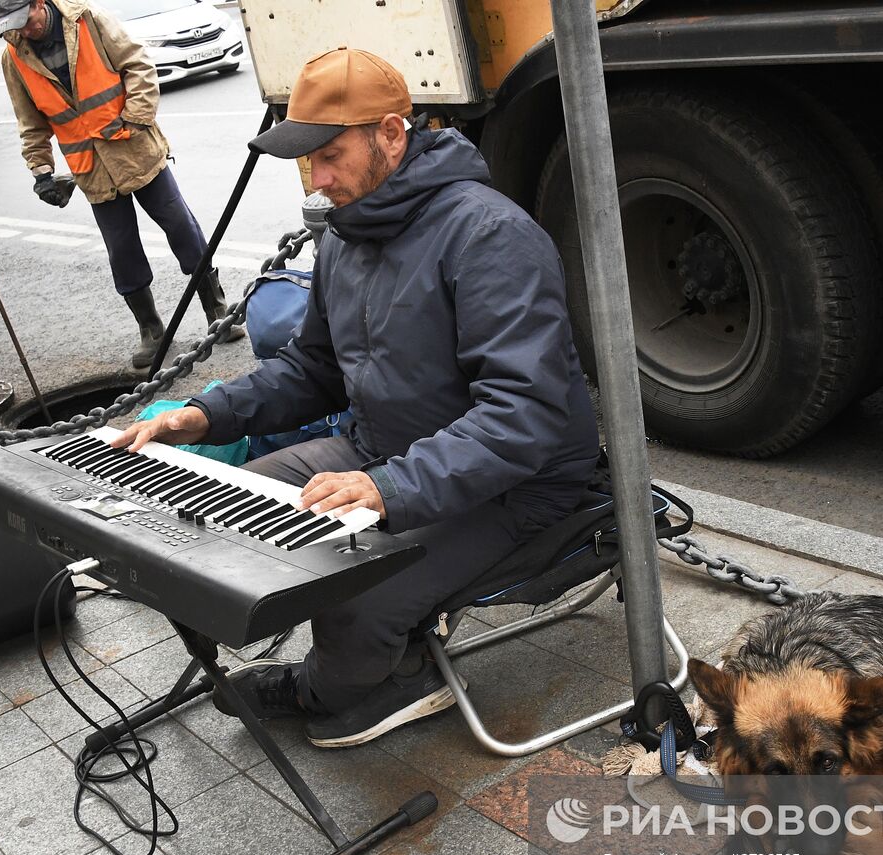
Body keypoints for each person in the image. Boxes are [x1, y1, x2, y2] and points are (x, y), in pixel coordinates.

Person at [113, 48, 601, 748]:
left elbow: (521, 417)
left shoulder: (489, 235)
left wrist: (384, 488)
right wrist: (205, 415)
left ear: (393, 135)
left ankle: (370, 681)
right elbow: (312, 370)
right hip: (385, 447)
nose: (319, 181)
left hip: (517, 484)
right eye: (309, 163)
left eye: (332, 156)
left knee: (355, 594)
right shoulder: (348, 233)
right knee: (224, 518)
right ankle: (366, 646)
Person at [0, 0, 241, 369]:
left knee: (181, 227)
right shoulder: (13, 56)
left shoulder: (88, 20)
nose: (22, 30)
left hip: (136, 150)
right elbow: (29, 121)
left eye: (24, 19)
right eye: (12, 24)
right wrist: (41, 171)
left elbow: (138, 65)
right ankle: (151, 329)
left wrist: (137, 119)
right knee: (121, 250)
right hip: (91, 168)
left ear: (38, 4)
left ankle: (215, 306)